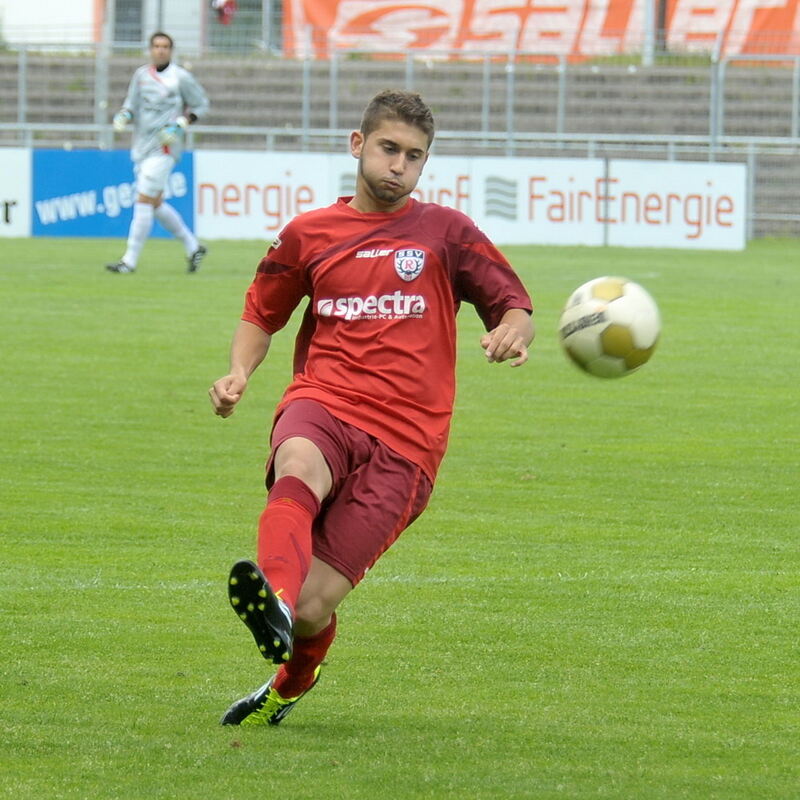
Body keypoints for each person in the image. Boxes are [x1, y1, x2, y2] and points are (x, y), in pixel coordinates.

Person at [208, 90, 534, 727]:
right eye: (389, 149)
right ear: (358, 145)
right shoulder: (309, 234)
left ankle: (295, 671)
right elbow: (261, 313)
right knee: (299, 461)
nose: (399, 166)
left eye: (414, 156)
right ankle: (270, 594)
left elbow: (511, 303)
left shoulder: (446, 232)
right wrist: (238, 372)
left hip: (409, 444)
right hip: (324, 400)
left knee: (311, 611)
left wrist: (514, 329)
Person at [106, 32, 209, 275]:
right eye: (156, 46)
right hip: (142, 146)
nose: (160, 50)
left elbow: (202, 104)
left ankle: (129, 261)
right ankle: (193, 247)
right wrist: (124, 115)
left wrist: (182, 123)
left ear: (171, 50)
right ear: (150, 49)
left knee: (142, 200)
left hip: (164, 147)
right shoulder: (141, 75)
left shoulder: (180, 77)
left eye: (165, 47)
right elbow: (130, 105)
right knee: (154, 203)